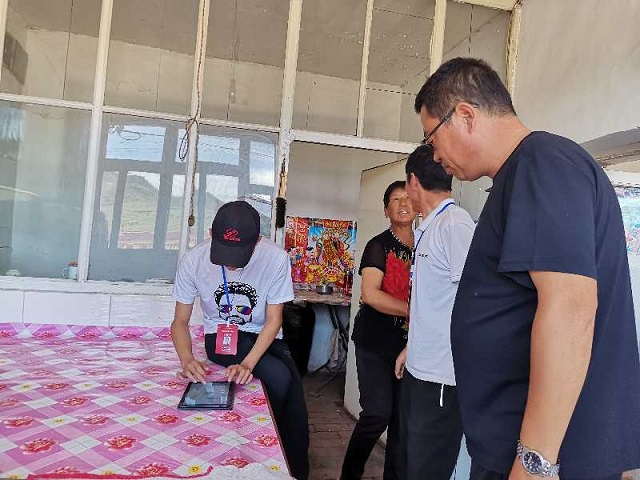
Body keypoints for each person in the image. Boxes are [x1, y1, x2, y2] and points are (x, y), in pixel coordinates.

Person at [414, 57, 640, 480]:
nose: (435, 155)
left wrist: (536, 462)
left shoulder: (543, 165)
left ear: (465, 115)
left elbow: (570, 308)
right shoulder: (522, 173)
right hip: (516, 447)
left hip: (546, 459)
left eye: (432, 138)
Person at [171, 200, 309, 480]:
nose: (231, 264)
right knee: (278, 377)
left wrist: (247, 363)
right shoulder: (193, 260)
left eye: (240, 255)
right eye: (224, 253)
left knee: (292, 388)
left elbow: (274, 320)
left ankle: (291, 468)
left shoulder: (275, 258)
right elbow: (180, 322)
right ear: (211, 234)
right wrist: (187, 359)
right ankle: (265, 449)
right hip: (220, 336)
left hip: (263, 334)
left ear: (257, 240)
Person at [394, 145, 475, 480]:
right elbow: (435, 301)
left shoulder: (454, 225)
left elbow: (474, 299)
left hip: (442, 376)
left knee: (428, 470)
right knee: (409, 462)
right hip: (419, 369)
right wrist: (411, 347)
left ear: (413, 182)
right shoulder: (429, 226)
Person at [341, 181, 416, 480]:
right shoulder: (378, 246)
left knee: (402, 420)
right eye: (395, 199)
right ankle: (350, 474)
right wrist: (415, 311)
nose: (403, 203)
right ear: (386, 210)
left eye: (408, 198)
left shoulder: (426, 244)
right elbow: (370, 294)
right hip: (374, 342)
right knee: (377, 413)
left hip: (410, 345)